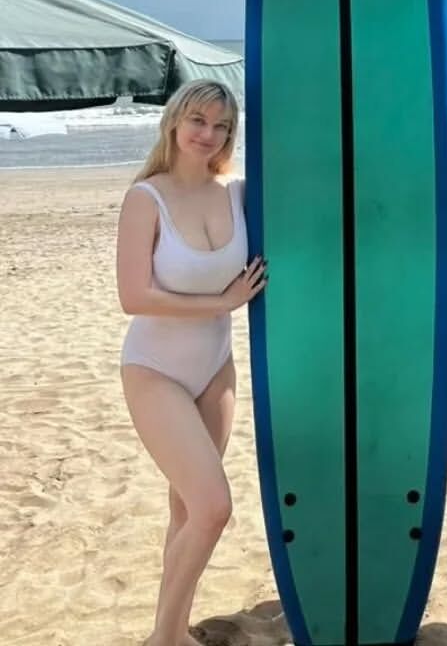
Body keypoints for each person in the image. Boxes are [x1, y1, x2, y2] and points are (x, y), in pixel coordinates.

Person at [116, 79, 267, 646]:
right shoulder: (145, 197)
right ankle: (165, 639)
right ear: (175, 122)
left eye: (222, 126)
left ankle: (172, 630)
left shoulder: (237, 192)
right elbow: (133, 296)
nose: (209, 134)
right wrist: (223, 302)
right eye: (199, 121)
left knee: (186, 512)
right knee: (212, 508)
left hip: (215, 369)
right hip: (155, 370)